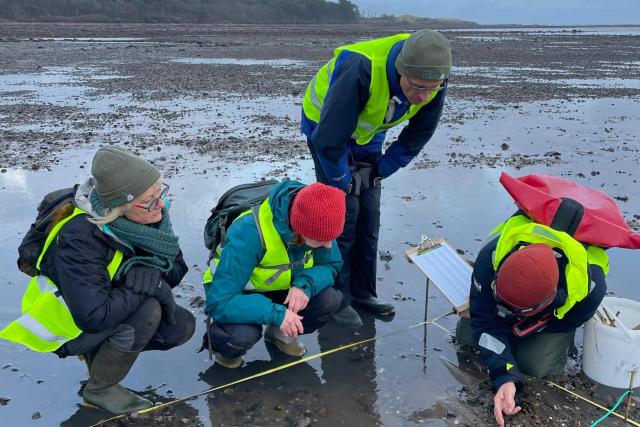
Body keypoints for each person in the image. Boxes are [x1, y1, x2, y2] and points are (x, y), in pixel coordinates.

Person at [1, 146, 195, 414]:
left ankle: (101, 355)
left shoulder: (151, 219)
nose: (161, 204)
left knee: (180, 326)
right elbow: (93, 316)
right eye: (150, 199)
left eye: (161, 192)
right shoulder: (79, 237)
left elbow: (178, 266)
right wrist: (148, 284)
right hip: (65, 324)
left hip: (105, 303)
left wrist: (151, 273)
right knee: (149, 309)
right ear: (119, 205)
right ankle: (100, 389)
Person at [301, 29, 452, 327]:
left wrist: (379, 169)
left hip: (368, 134)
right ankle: (336, 297)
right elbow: (328, 142)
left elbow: (417, 136)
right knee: (344, 216)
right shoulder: (360, 67)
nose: (422, 97)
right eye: (417, 87)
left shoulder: (434, 75)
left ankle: (362, 293)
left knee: (369, 215)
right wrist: (343, 179)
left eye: (431, 89)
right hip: (326, 130)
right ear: (400, 71)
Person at [455, 213, 608, 427]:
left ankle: (545, 335)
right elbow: (484, 319)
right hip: (517, 295)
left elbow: (566, 322)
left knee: (535, 365)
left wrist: (525, 329)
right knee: (467, 335)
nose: (505, 310)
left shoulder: (590, 289)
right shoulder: (490, 256)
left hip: (554, 319)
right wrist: (505, 375)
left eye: (515, 309)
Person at [202, 180, 344, 368]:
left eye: (332, 239)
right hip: (238, 295)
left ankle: (278, 334)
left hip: (283, 288)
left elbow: (331, 265)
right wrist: (276, 313)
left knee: (329, 299)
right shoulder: (249, 231)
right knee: (240, 337)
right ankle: (225, 352)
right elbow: (219, 301)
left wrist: (305, 285)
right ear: (299, 230)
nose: (328, 245)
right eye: (322, 241)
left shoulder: (320, 224)